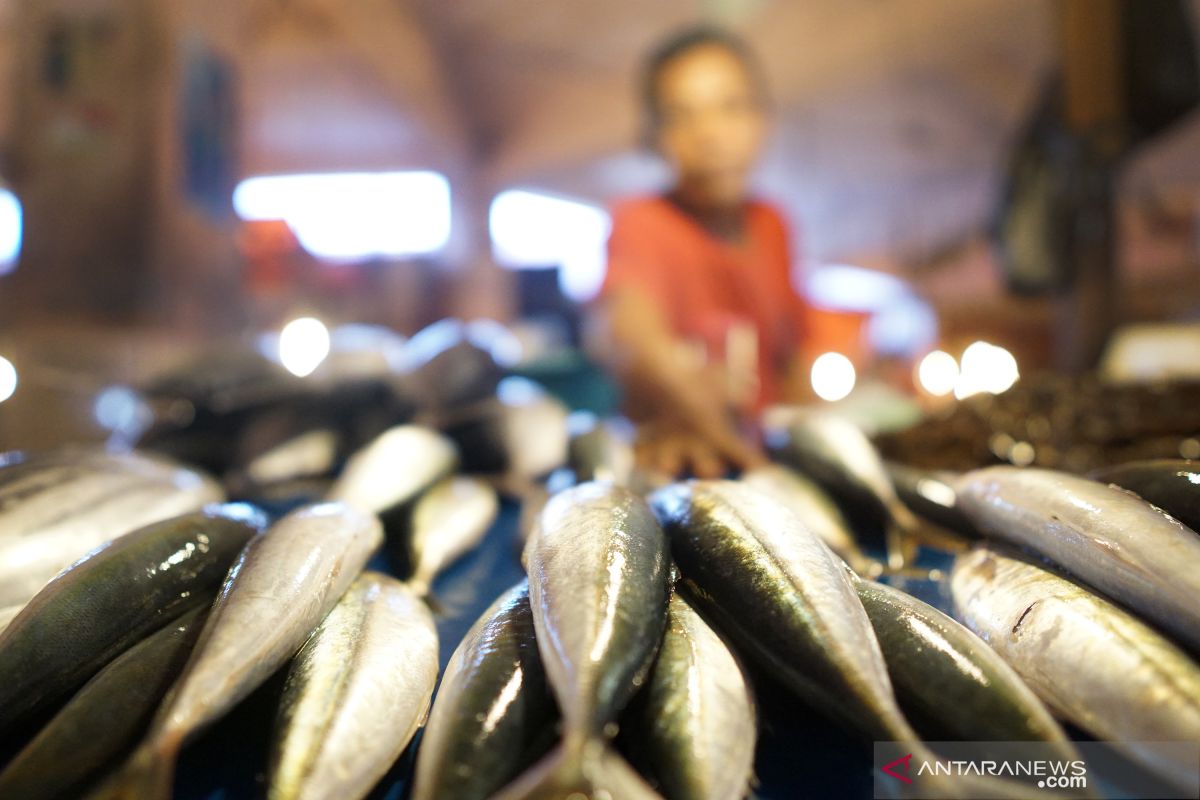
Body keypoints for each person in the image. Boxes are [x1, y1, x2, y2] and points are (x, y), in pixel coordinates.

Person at [590, 26, 811, 479]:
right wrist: (684, 396)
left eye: (730, 108)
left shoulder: (773, 223)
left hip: (763, 455)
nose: (709, 134)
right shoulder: (640, 220)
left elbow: (794, 354)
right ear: (654, 136)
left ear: (763, 119)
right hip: (681, 462)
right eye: (680, 115)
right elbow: (628, 329)